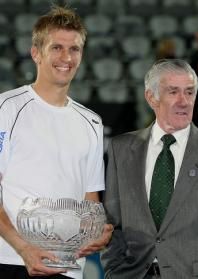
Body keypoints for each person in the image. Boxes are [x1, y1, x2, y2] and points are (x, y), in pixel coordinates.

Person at [101, 59, 198, 278]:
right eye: (173, 92)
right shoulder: (120, 149)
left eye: (189, 92)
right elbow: (113, 223)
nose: (184, 101)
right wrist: (114, 271)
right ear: (151, 98)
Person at [0, 6, 113, 279]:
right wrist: (24, 248)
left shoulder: (92, 122)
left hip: (68, 268)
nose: (66, 57)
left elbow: (90, 199)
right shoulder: (6, 109)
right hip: (11, 260)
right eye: (57, 48)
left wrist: (99, 230)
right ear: (36, 53)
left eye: (74, 49)